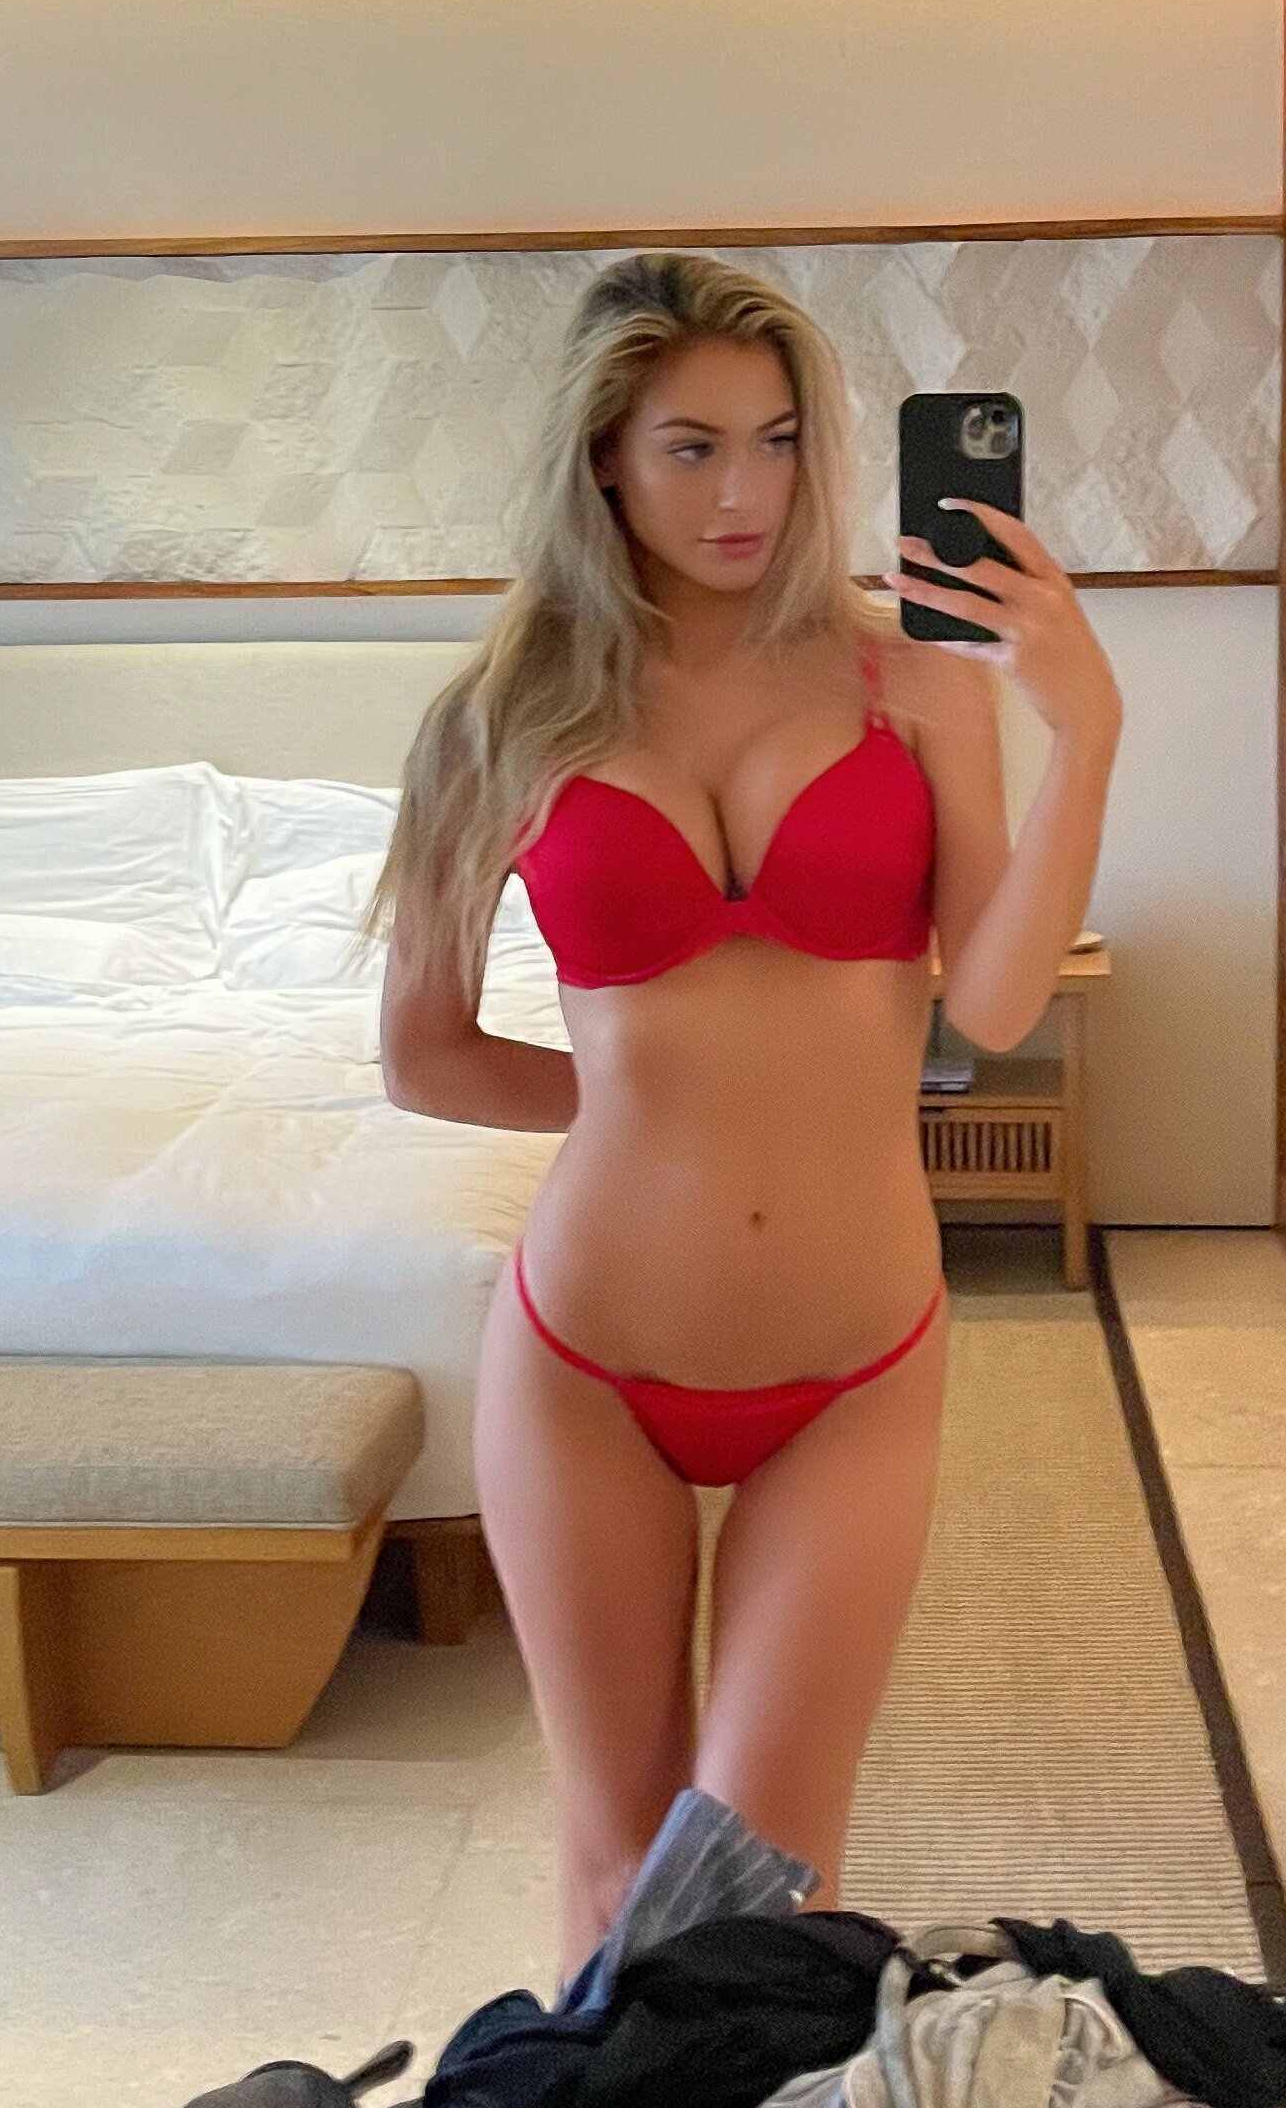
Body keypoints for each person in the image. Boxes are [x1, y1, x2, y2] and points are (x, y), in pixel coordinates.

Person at [376, 251, 1120, 1961]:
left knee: (768, 1898)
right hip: (588, 1358)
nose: (745, 494)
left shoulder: (917, 686)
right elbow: (425, 1053)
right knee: (611, 1882)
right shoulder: (497, 720)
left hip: (853, 1363)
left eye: (777, 442)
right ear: (604, 459)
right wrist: (651, 1113)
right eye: (692, 446)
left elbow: (997, 1000)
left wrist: (1085, 735)